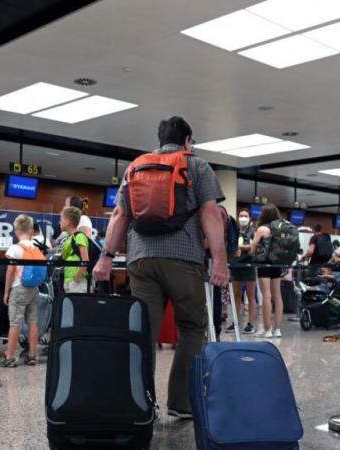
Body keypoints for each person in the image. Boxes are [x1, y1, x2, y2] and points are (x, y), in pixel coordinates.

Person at [93, 116, 228, 420]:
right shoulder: (197, 165)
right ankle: (182, 402)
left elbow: (119, 215)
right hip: (184, 260)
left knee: (144, 332)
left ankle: (141, 403)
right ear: (187, 140)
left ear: (159, 139)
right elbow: (210, 213)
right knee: (192, 328)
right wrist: (219, 260)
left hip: (140, 260)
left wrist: (105, 256)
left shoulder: (135, 167)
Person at [0, 215, 39, 367]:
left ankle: (10, 357)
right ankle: (32, 356)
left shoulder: (15, 248)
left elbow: (9, 271)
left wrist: (6, 292)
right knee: (33, 322)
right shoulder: (35, 247)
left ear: (16, 231)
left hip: (19, 288)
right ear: (31, 231)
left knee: (15, 323)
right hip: (34, 288)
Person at [250, 203, 284, 339]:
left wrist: (256, 248)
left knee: (266, 295)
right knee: (278, 296)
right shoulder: (281, 228)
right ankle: (278, 330)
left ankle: (267, 329)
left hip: (264, 263)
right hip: (277, 264)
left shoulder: (262, 229)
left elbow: (253, 249)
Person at [227, 209, 257, 335]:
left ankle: (250, 324)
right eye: (241, 216)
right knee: (236, 295)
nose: (243, 218)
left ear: (250, 218)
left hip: (249, 264)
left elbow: (254, 247)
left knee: (250, 295)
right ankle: (235, 322)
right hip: (235, 264)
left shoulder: (253, 232)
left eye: (245, 216)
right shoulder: (234, 230)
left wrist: (240, 247)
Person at [60, 206, 90, 293]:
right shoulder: (69, 239)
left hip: (78, 282)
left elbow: (85, 260)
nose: (60, 222)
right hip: (69, 280)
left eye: (61, 219)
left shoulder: (79, 236)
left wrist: (76, 279)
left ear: (68, 222)